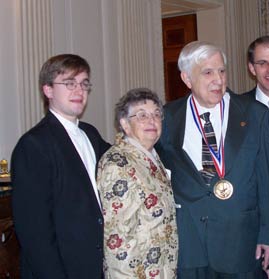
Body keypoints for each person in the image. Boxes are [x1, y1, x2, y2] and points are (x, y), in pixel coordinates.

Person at [155, 41, 269, 279]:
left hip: (241, 240)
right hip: (189, 242)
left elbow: (265, 178)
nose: (218, 80)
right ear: (187, 78)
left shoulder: (254, 113)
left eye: (221, 71)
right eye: (208, 72)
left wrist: (267, 234)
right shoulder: (166, 117)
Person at [11, 54, 110, 278]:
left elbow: (124, 159)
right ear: (48, 90)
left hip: (96, 265)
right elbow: (34, 231)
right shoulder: (33, 145)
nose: (79, 90)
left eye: (84, 84)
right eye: (69, 83)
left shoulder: (90, 133)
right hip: (62, 269)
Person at [97, 88, 178, 279]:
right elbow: (118, 241)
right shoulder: (117, 163)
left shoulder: (151, 156)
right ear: (125, 124)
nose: (152, 121)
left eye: (156, 114)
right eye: (142, 115)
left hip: (162, 270)